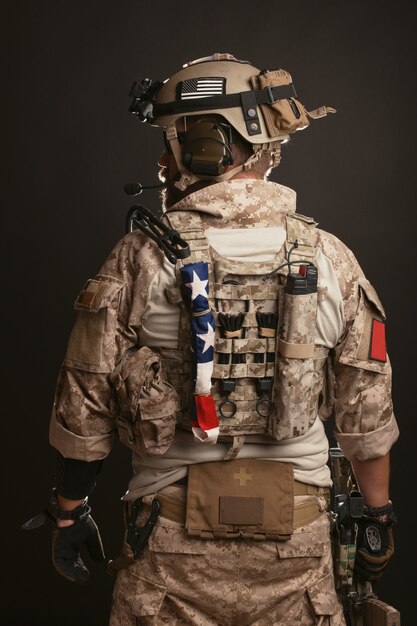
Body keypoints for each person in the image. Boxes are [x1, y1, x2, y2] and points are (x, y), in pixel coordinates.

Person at [36, 53, 400, 625]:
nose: (163, 159)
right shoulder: (332, 259)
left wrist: (68, 511)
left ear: (208, 143)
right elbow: (366, 410)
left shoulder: (139, 258)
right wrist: (377, 518)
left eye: (175, 140)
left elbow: (86, 403)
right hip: (297, 550)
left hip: (168, 550)